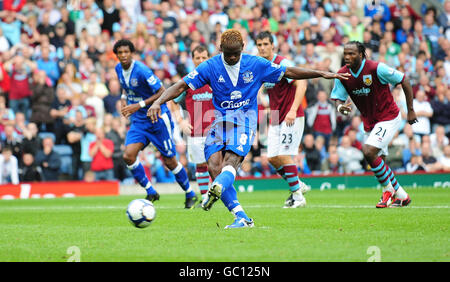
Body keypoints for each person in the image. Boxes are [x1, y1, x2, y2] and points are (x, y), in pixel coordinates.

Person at [148, 29, 349, 228]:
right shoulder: (210, 66)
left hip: (245, 120)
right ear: (220, 50)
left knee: (232, 160)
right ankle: (241, 216)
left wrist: (322, 73)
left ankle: (218, 186)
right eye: (228, 54)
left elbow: (289, 72)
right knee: (213, 166)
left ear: (243, 48)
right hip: (219, 123)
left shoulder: (256, 64)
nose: (233, 57)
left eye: (236, 53)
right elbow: (181, 86)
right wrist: (158, 102)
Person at [331, 41, 417, 208]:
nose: (347, 57)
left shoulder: (376, 68)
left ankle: (388, 191)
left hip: (388, 117)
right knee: (378, 162)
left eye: (352, 54)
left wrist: (411, 110)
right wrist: (341, 107)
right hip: (369, 122)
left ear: (361, 54)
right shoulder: (342, 74)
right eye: (345, 54)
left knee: (369, 152)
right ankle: (402, 196)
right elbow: (338, 99)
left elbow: (404, 80)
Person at [113, 39, 197, 209]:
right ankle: (151, 191)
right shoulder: (118, 69)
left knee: (170, 161)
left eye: (126, 52)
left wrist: (139, 105)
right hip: (139, 122)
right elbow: (125, 87)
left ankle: (190, 193)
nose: (123, 55)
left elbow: (161, 92)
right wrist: (123, 99)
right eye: (120, 52)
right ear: (116, 55)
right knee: (128, 155)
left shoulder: (142, 71)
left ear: (132, 53)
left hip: (157, 119)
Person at [255, 31, 309, 208]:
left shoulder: (283, 63)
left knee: (285, 155)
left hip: (291, 116)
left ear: (273, 45)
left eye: (265, 44)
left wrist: (293, 110)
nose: (262, 47)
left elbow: (302, 82)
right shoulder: (262, 65)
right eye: (259, 44)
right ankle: (298, 184)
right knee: (272, 158)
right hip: (277, 118)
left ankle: (298, 197)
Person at [171, 45, 215, 204]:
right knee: (201, 165)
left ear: (209, 58)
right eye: (198, 58)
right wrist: (181, 121)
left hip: (216, 130)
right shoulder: (188, 81)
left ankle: (220, 194)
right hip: (196, 132)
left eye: (204, 57)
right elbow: (173, 102)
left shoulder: (216, 78)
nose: (201, 60)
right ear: (193, 59)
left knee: (217, 164)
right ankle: (205, 197)